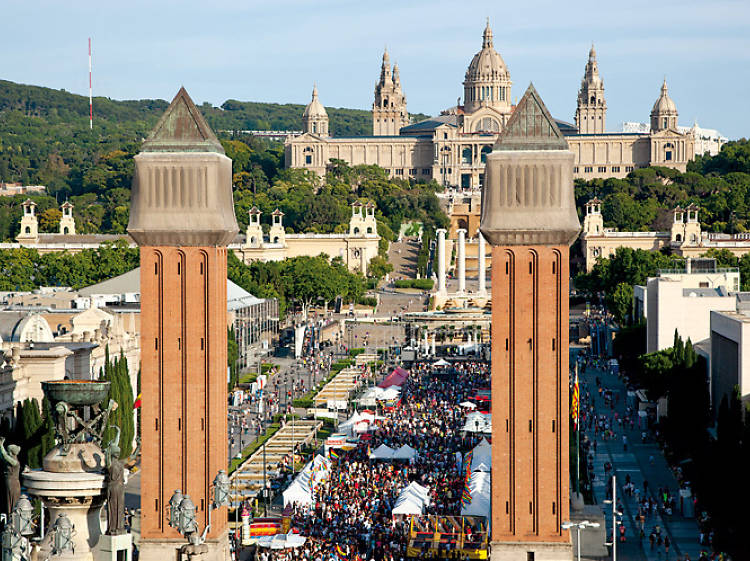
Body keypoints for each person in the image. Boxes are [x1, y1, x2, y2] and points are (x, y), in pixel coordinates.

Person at [0, 437, 20, 516]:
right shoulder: (10, 460)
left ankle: (12, 518)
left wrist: (1, 445)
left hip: (13, 484)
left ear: (11, 453)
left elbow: (4, 456)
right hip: (9, 483)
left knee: (12, 501)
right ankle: (10, 517)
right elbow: (2, 455)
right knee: (9, 501)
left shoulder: (14, 462)